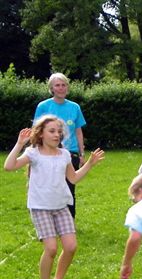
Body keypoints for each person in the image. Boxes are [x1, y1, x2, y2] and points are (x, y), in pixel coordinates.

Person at [3, 116, 104, 279]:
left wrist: (89, 163)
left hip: (61, 206)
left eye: (59, 131)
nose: (57, 134)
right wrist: (19, 144)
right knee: (51, 249)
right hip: (40, 207)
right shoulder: (33, 153)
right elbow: (9, 166)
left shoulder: (64, 154)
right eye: (52, 131)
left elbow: (73, 178)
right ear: (41, 134)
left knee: (71, 247)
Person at [34, 73, 87, 218]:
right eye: (57, 85)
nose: (61, 88)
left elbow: (78, 132)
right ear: (51, 88)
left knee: (69, 188)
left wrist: (81, 154)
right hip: (48, 154)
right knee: (51, 188)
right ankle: (49, 218)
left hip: (70, 153)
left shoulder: (74, 107)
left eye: (64, 85)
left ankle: (69, 221)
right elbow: (37, 131)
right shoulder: (43, 106)